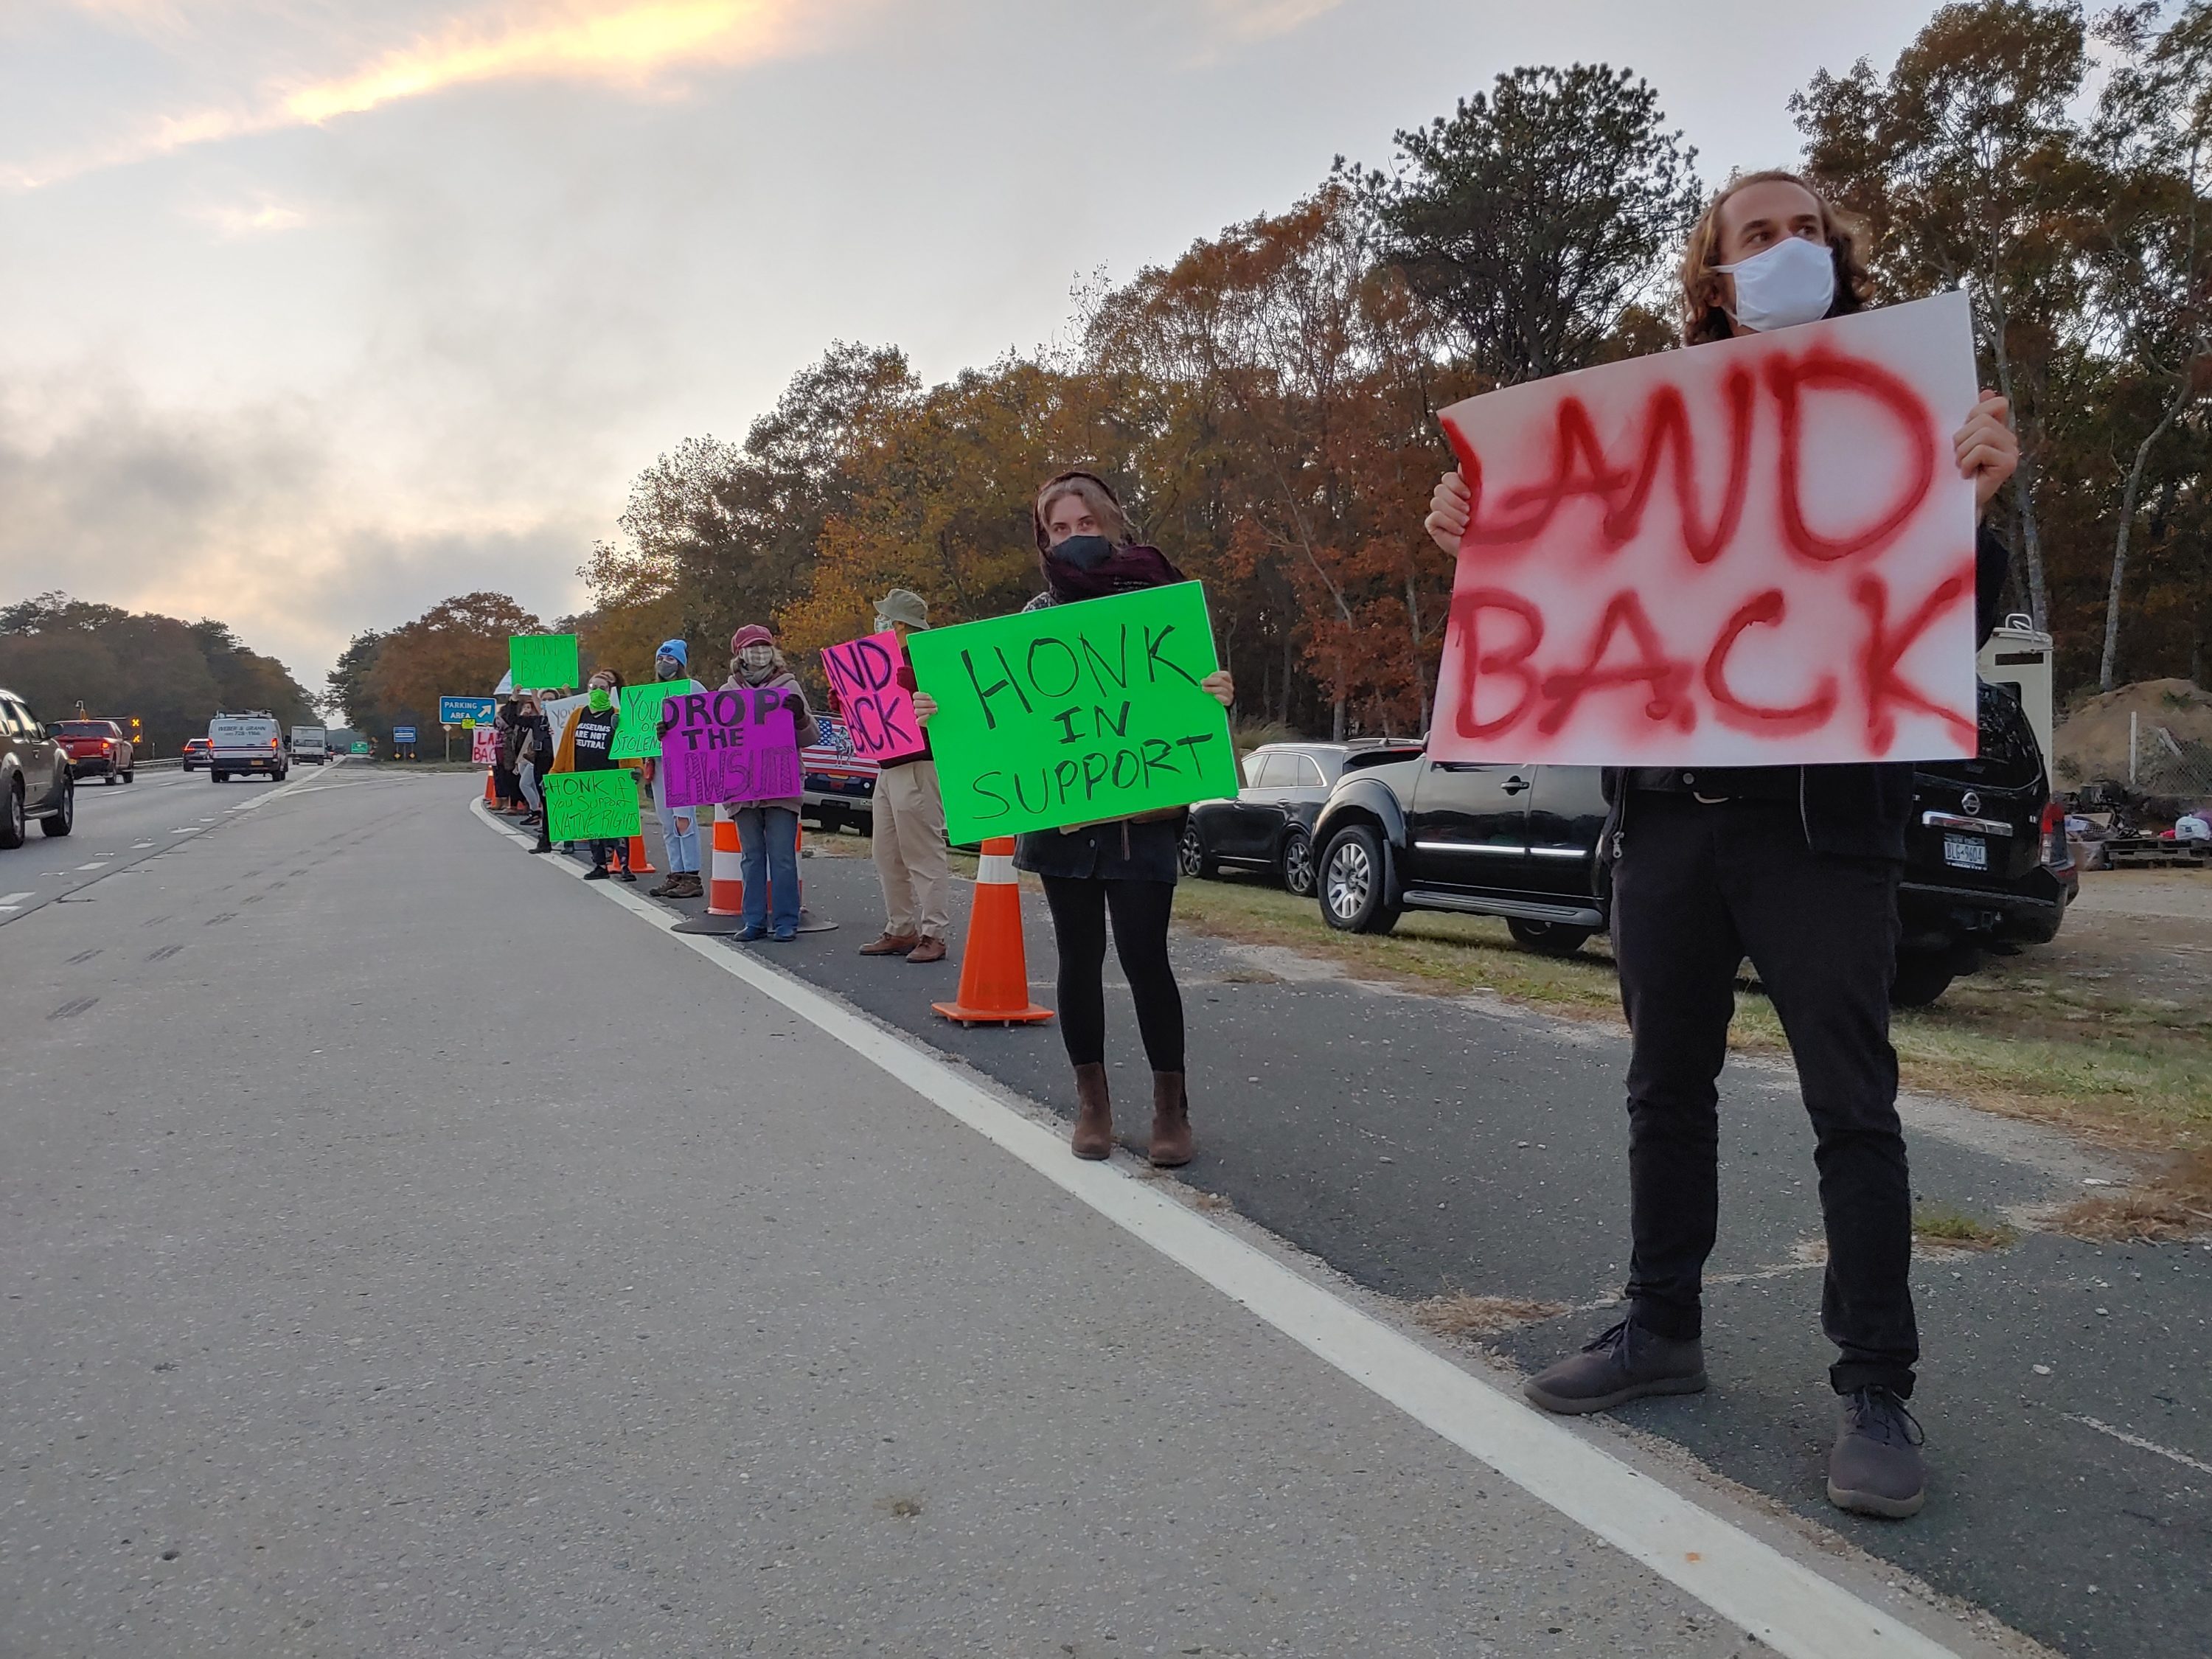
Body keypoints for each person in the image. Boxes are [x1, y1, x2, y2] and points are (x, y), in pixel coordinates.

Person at [1422, 169, 2020, 1522]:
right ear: (1716, 275)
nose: (1789, 248)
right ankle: (1661, 1327)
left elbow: (1947, 622)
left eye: (1808, 229)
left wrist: (1975, 506)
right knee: (1662, 1087)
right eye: (1760, 234)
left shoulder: (1912, 406)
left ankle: (1875, 1384)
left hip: (1820, 828)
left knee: (1851, 1109)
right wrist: (1481, 532)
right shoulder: (1638, 430)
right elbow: (1568, 585)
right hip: (1670, 821)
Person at [914, 470, 1234, 1167]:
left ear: (1113, 524)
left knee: (1147, 959)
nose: (1074, 538)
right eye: (1059, 529)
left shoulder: (1162, 604)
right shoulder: (1033, 618)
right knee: (1077, 960)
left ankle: (1169, 1110)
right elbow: (999, 720)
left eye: (1084, 524)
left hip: (1142, 817)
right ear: (1044, 539)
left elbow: (1192, 701)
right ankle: (1093, 1105)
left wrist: (1217, 693)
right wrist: (944, 715)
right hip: (1061, 820)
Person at [852, 588, 953, 964]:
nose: (878, 624)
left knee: (922, 853)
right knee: (887, 853)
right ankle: (901, 927)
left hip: (918, 765)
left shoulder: (928, 661)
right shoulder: (877, 663)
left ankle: (933, 933)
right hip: (887, 766)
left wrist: (912, 684)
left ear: (898, 625)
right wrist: (849, 703)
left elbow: (944, 709)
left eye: (885, 619)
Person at [722, 626, 815, 942]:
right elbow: (711, 741)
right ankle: (754, 920)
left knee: (783, 855)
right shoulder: (726, 692)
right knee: (751, 856)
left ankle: (787, 920)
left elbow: (810, 736)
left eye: (763, 646)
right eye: (751, 647)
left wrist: (799, 716)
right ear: (739, 653)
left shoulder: (789, 687)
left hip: (781, 784)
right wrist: (673, 732)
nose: (758, 652)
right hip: (742, 788)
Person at [550, 668, 636, 882]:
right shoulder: (578, 714)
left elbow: (629, 745)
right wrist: (555, 773)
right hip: (584, 778)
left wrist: (636, 768)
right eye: (593, 687)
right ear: (588, 690)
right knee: (593, 826)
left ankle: (625, 866)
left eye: (603, 688)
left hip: (612, 777)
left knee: (618, 824)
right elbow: (565, 746)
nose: (598, 691)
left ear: (609, 692)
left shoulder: (618, 714)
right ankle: (599, 865)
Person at [642, 640, 703, 900]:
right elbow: (640, 726)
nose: (664, 664)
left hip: (684, 762)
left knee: (683, 820)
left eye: (670, 660)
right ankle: (676, 872)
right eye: (660, 659)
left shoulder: (693, 688)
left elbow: (707, 723)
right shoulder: (650, 693)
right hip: (659, 762)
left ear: (680, 664)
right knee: (667, 822)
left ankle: (692, 875)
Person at [512, 692, 555, 852]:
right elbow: (512, 720)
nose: (547, 702)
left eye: (551, 700)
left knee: (558, 804)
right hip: (540, 763)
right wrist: (514, 697)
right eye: (544, 699)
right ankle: (545, 841)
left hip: (558, 764)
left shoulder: (566, 719)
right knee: (545, 803)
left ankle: (568, 842)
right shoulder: (537, 721)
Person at [491, 693, 523, 813]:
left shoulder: (513, 727)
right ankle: (501, 800)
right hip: (498, 754)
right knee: (499, 777)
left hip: (509, 754)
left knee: (510, 778)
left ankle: (511, 802)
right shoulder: (497, 731)